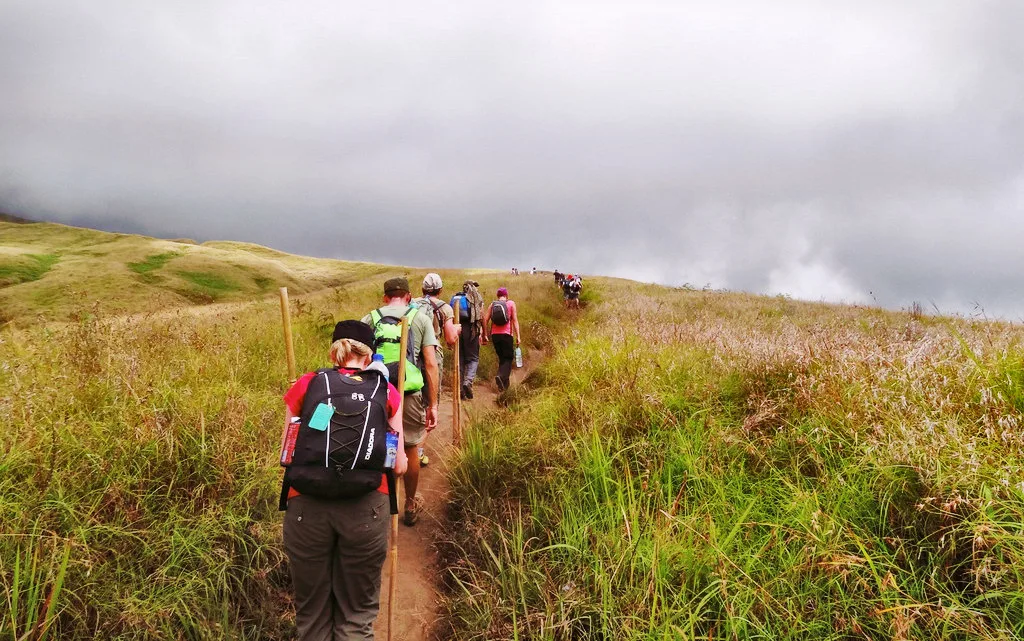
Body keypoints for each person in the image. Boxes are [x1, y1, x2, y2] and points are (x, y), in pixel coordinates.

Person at [281, 320, 407, 641]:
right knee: (357, 614)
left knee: (311, 614)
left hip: (305, 508)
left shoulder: (306, 385)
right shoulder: (387, 391)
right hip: (367, 508)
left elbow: (286, 455)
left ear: (335, 350)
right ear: (370, 356)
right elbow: (399, 465)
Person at [362, 277, 439, 526]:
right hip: (408, 393)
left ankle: (377, 505)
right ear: (408, 295)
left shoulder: (370, 318)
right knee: (410, 448)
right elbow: (430, 363)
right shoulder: (421, 318)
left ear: (385, 297)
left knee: (375, 446)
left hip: (376, 392)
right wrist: (433, 403)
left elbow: (360, 361)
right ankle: (410, 502)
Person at [414, 272, 460, 466]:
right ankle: (417, 451)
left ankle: (405, 445)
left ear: (423, 289)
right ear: (440, 290)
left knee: (412, 400)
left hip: (411, 356)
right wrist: (457, 329)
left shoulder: (413, 304)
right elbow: (450, 338)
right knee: (431, 403)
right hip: (433, 357)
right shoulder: (445, 308)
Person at [482, 286, 521, 392]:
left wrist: (485, 334)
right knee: (508, 358)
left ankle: (503, 387)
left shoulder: (493, 304)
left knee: (502, 359)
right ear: (506, 295)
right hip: (507, 335)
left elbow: (485, 320)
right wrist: (518, 336)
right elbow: (515, 321)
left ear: (497, 296)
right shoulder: (511, 304)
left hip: (495, 336)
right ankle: (500, 376)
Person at [450, 280, 484, 399]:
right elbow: (481, 316)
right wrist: (483, 333)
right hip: (471, 330)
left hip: (458, 329)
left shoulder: (456, 298)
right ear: (472, 287)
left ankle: (460, 391)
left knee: (461, 360)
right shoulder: (476, 298)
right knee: (473, 358)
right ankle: (468, 382)